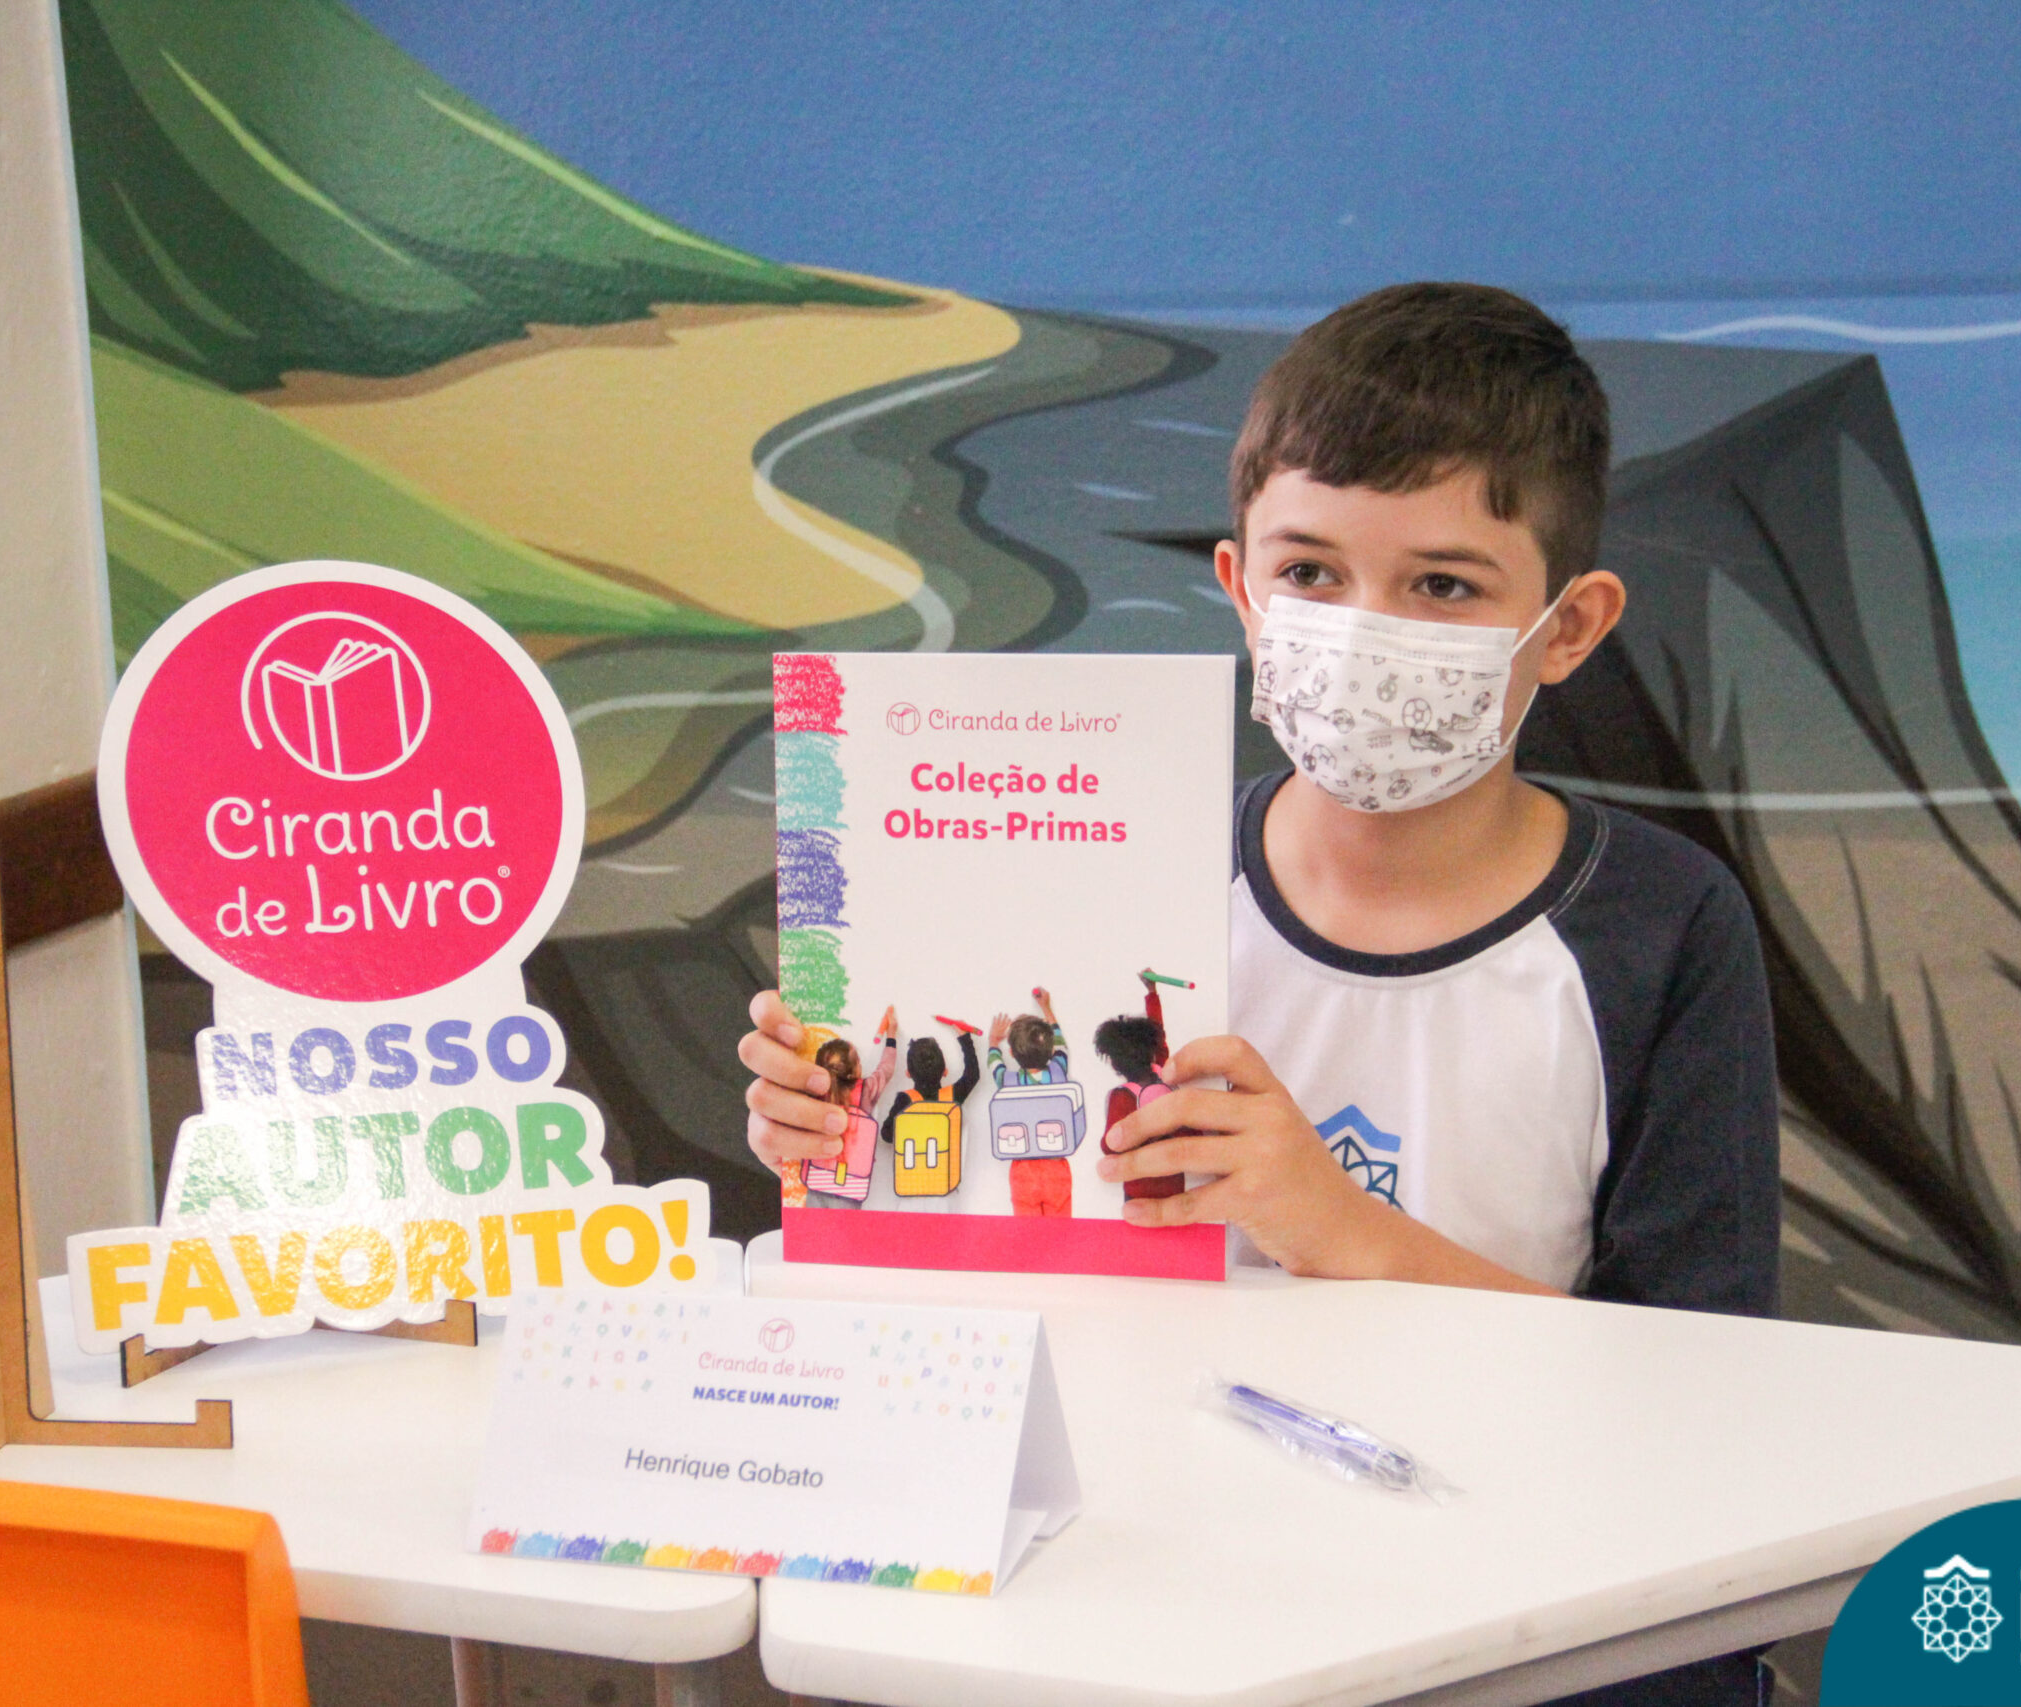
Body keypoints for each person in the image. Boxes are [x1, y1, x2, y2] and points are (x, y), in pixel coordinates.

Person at [742, 283, 1779, 1704]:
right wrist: (837, 1141)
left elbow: (1699, 1398)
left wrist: (1339, 1227)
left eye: (1444, 585)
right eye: (1311, 572)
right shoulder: (1103, 884)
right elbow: (975, 1292)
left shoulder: (1661, 929)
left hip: (1533, 1627)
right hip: (1174, 1608)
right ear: (1238, 587)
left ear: (1569, 623)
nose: (1362, 629)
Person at [1094, 973, 1181, 1202]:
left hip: (1140, 1187)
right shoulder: (1165, 1075)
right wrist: (1152, 993)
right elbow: (1159, 1032)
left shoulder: (1122, 1097)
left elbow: (1110, 1145)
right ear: (1151, 1048)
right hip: (1174, 1180)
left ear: (1114, 1063)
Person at [989, 993, 1078, 1216]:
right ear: (1050, 1051)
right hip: (1056, 1166)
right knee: (1060, 1230)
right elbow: (1061, 1045)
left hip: (1023, 1168)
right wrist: (1046, 1008)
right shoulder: (1058, 1071)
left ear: (1011, 1053)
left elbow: (994, 1065)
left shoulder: (1008, 1081)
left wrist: (993, 1041)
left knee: (1027, 1231)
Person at [799, 1006, 895, 1209]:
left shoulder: (815, 1093)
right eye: (858, 1060)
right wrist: (892, 1036)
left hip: (816, 1180)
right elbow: (886, 1069)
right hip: (851, 1186)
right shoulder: (867, 1090)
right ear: (853, 1072)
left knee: (815, 1228)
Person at [881, 1023, 980, 1198]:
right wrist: (965, 1037)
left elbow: (887, 1135)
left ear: (908, 1073)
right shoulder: (952, 1097)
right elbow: (973, 1074)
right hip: (945, 1185)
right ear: (945, 1071)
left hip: (910, 1185)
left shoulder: (905, 1100)